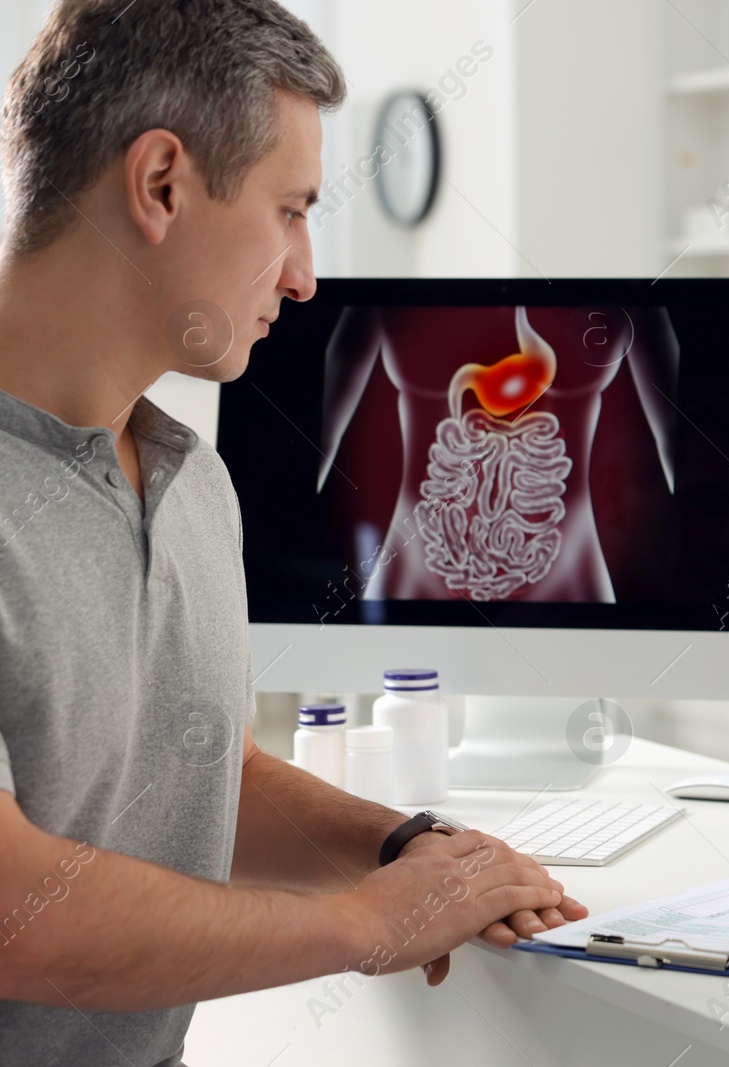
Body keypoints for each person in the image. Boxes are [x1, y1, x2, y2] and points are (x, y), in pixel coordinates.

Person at [0, 4, 585, 1064]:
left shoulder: (192, 481)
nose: (304, 273)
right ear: (162, 184)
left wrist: (405, 848)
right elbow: (14, 911)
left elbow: (191, 765)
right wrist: (364, 923)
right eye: (292, 210)